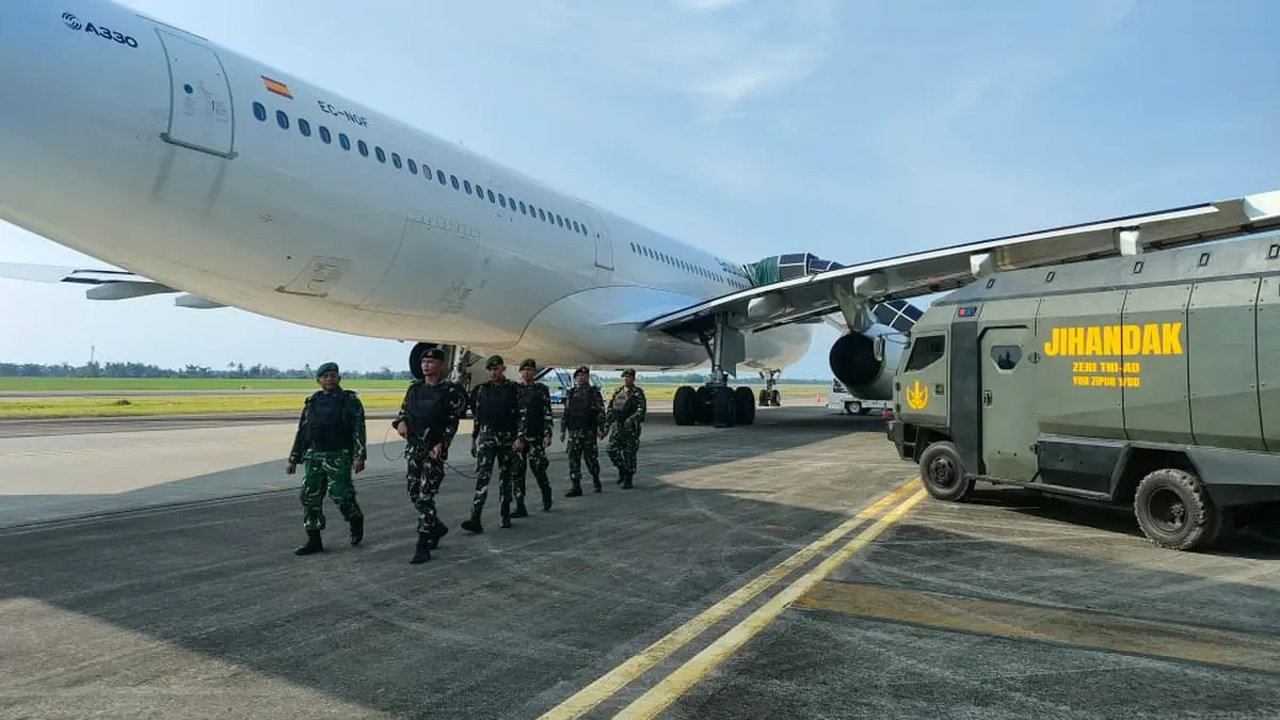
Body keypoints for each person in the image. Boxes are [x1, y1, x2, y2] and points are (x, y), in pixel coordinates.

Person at [392, 347, 468, 565]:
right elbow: (403, 412)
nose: (426, 365)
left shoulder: (450, 391)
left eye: (431, 361)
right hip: (414, 448)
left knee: (426, 496)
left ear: (441, 365)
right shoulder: (414, 389)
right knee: (414, 494)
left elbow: (452, 423)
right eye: (424, 361)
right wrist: (401, 423)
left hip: (433, 451)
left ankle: (423, 543)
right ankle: (437, 527)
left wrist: (441, 445)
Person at [286, 362, 367, 556]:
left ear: (339, 378)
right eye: (325, 376)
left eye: (333, 375)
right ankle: (314, 540)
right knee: (309, 496)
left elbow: (358, 428)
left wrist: (359, 455)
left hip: (338, 455)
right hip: (313, 456)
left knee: (341, 495)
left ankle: (355, 519)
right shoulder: (312, 401)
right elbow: (303, 431)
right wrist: (293, 458)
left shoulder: (349, 400)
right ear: (318, 380)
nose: (329, 379)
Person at [463, 355, 523, 532]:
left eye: (496, 369)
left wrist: (520, 437)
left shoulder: (514, 388)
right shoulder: (482, 390)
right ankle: (475, 518)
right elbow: (478, 416)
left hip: (507, 439)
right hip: (487, 438)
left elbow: (522, 414)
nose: (493, 372)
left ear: (502, 369)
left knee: (506, 478)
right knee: (483, 477)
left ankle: (505, 514)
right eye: (490, 369)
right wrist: (474, 439)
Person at [514, 358, 555, 514]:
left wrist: (548, 434)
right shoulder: (515, 390)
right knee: (518, 472)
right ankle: (519, 505)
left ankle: (546, 495)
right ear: (520, 372)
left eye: (530, 370)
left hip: (535, 437)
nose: (526, 373)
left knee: (538, 468)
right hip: (518, 439)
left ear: (534, 372)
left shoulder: (541, 389)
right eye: (524, 370)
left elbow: (547, 413)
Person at [560, 366, 606, 496]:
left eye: (583, 376)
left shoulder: (593, 392)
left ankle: (596, 479)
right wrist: (563, 430)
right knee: (573, 459)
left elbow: (600, 410)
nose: (581, 378)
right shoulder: (571, 392)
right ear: (575, 378)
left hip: (588, 432)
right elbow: (566, 412)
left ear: (587, 378)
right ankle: (576, 486)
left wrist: (601, 428)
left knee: (590, 459)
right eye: (578, 376)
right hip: (574, 432)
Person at [605, 368, 646, 489]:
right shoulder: (618, 391)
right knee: (611, 450)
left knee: (630, 454)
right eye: (624, 377)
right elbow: (611, 409)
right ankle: (621, 469)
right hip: (617, 427)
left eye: (628, 377)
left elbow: (641, 409)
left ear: (633, 379)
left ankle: (628, 478)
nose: (625, 379)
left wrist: (632, 419)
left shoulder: (637, 392)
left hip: (630, 429)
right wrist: (607, 425)